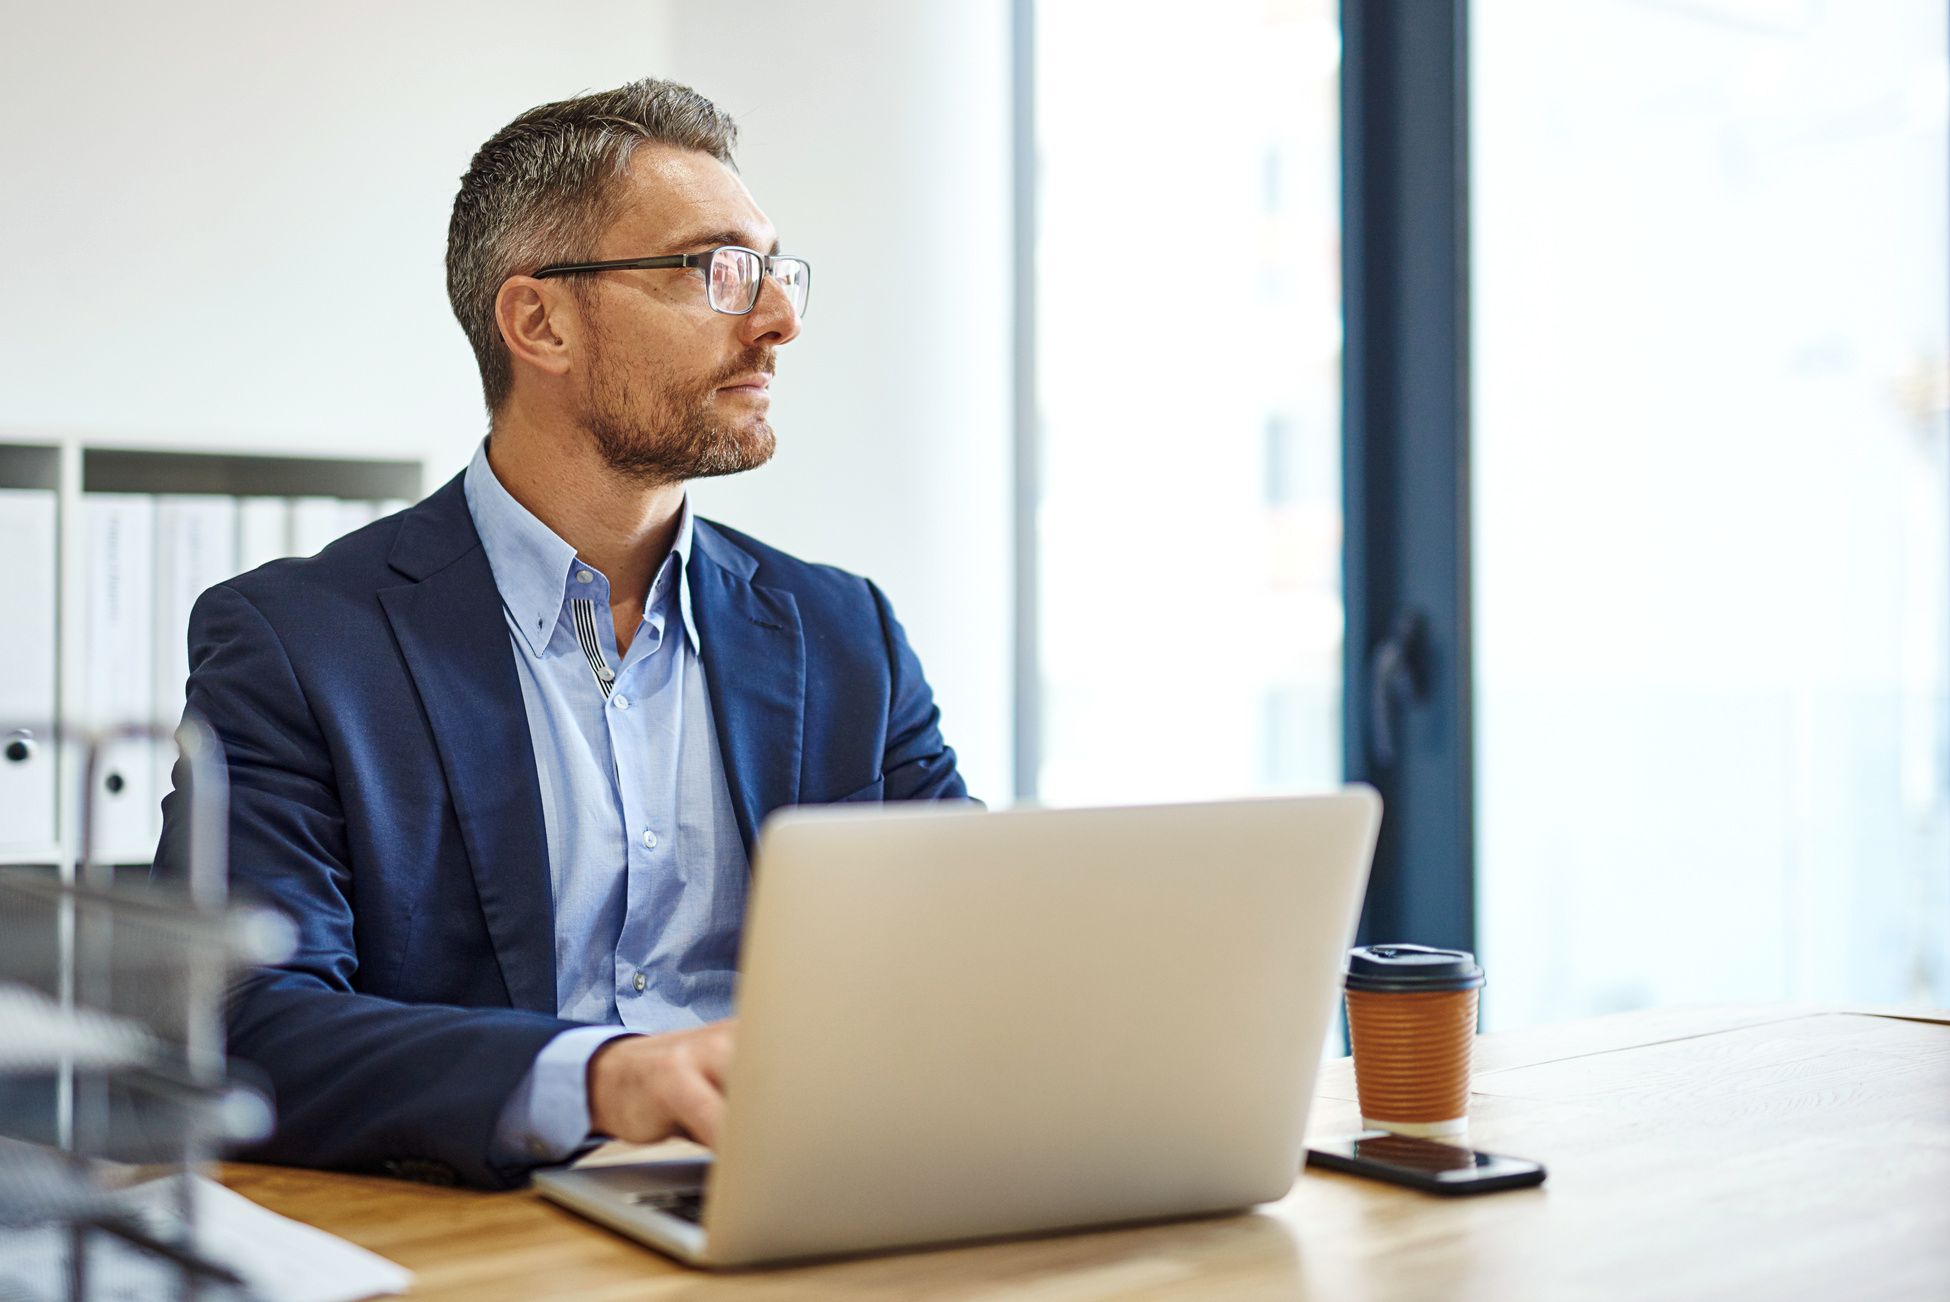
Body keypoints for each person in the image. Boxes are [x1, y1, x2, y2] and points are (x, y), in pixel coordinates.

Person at [154, 78, 969, 1189]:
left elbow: (973, 950)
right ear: (539, 320)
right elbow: (244, 1022)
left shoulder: (844, 635)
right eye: (714, 269)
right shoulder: (299, 642)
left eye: (776, 271)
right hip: (489, 1227)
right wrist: (602, 1078)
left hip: (810, 1196)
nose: (778, 317)